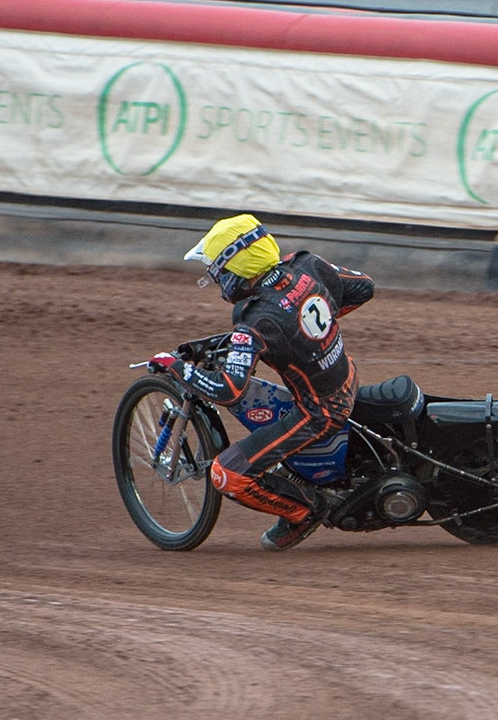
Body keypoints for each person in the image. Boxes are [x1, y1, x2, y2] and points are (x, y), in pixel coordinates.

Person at [151, 213, 375, 551]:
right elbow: (363, 288)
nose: (217, 280)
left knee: (227, 474)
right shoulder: (307, 265)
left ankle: (307, 511)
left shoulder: (256, 319)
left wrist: (176, 369)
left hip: (320, 410)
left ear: (235, 270)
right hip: (346, 373)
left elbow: (229, 390)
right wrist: (311, 330)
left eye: (217, 272)